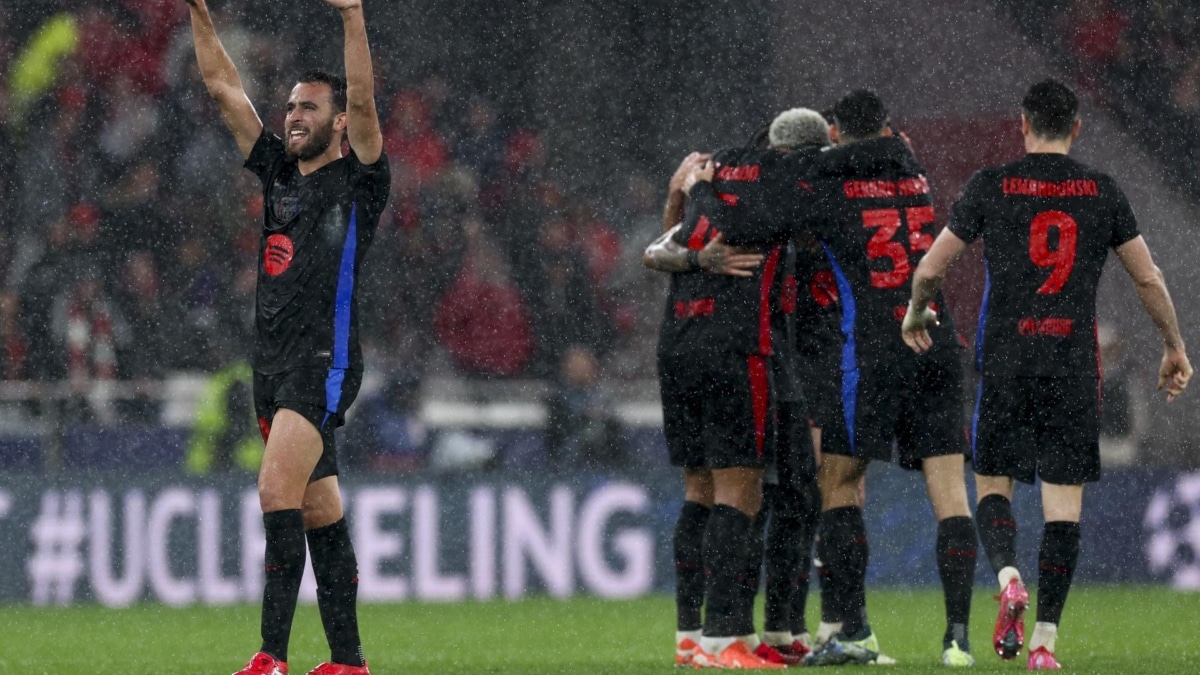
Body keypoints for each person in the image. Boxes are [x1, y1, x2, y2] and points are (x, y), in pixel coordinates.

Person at [903, 78, 1192, 670]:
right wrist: (1173, 345)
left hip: (1007, 361)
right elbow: (1148, 278)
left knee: (993, 484)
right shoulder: (1101, 190)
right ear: (1077, 128)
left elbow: (932, 266)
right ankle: (1044, 644)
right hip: (1070, 366)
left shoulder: (992, 183)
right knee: (1064, 509)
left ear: (1023, 124)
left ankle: (1008, 576)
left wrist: (916, 310)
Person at [184, 1, 389, 674]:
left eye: (309, 108)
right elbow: (221, 86)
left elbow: (364, 99)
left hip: (323, 363)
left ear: (336, 125)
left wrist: (352, 15)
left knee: (276, 490)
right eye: (292, 106)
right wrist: (198, 11)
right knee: (318, 508)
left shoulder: (357, 182)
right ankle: (349, 661)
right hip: (270, 365)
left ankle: (270, 657)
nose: (294, 116)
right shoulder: (275, 174)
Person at [776, 90, 977, 667]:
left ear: (836, 133)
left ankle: (856, 630)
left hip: (873, 348)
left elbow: (795, 191)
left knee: (838, 481)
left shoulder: (827, 183)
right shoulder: (914, 175)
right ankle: (957, 638)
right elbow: (887, 151)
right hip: (937, 340)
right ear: (888, 128)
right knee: (949, 492)